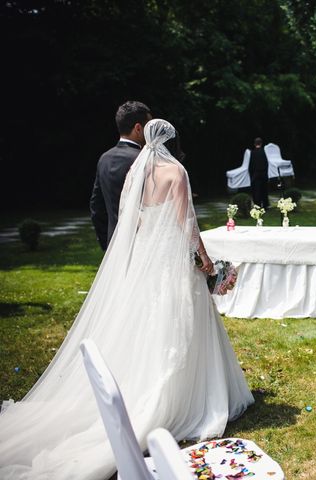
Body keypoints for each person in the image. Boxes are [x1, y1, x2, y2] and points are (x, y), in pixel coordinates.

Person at [0, 119, 254, 479]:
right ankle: (185, 398)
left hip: (148, 255)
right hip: (170, 256)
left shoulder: (138, 169)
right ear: (172, 141)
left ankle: (145, 381)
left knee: (148, 321)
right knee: (181, 322)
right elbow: (187, 221)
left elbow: (128, 218)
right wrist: (206, 259)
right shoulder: (175, 170)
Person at [90, 101, 152, 251]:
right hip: (142, 245)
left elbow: (96, 207)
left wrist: (107, 245)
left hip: (114, 244)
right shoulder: (145, 159)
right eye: (149, 127)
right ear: (138, 128)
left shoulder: (104, 158)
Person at [248, 137, 270, 208]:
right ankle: (265, 205)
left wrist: (251, 175)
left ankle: (258, 205)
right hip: (263, 174)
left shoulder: (253, 153)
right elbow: (266, 164)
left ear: (254, 144)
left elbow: (251, 165)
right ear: (261, 143)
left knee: (257, 191)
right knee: (264, 190)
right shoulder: (264, 152)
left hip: (256, 174)